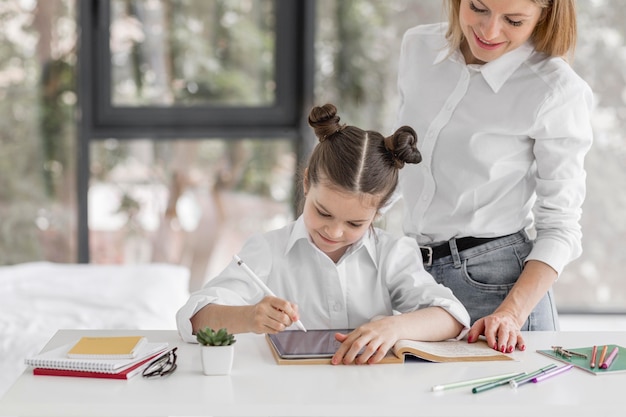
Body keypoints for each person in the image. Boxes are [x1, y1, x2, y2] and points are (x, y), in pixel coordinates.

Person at [177, 103, 470, 365]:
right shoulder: (268, 250)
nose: (334, 231)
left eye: (355, 223)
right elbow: (192, 319)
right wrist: (248, 316)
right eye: (323, 212)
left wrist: (395, 327)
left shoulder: (392, 253)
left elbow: (453, 318)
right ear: (306, 183)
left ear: (378, 212)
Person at [394, 0, 593, 354]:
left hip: (498, 290)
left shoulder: (555, 90)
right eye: (478, 8)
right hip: (414, 275)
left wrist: (511, 315)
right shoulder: (418, 48)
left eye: (513, 20)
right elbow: (405, 160)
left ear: (544, 14)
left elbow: (561, 227)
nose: (489, 31)